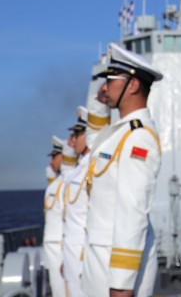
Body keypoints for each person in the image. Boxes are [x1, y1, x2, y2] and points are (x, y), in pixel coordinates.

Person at [82, 42, 163, 297]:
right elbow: (93, 140)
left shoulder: (139, 138)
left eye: (110, 80)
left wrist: (122, 284)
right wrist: (98, 97)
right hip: (100, 259)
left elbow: (133, 210)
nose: (105, 87)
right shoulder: (119, 134)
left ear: (133, 85)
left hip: (115, 270)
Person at [62, 107, 91, 297]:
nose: (71, 140)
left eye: (77, 134)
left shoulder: (93, 167)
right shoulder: (79, 169)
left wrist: (84, 260)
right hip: (72, 254)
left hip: (84, 256)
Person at [42, 136, 69, 297]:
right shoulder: (56, 184)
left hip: (62, 249)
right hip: (53, 249)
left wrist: (68, 256)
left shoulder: (67, 183)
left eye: (54, 156)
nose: (51, 161)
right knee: (57, 290)